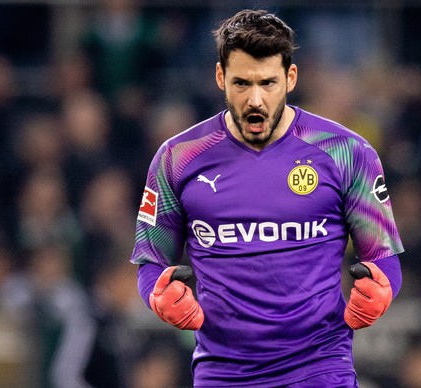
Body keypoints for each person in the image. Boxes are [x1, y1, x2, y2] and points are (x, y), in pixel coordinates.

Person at [131, 9, 404, 387]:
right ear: (220, 77)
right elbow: (150, 262)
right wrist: (159, 296)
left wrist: (381, 290)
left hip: (320, 366)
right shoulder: (177, 158)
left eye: (268, 83)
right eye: (241, 83)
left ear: (290, 78)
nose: (255, 99)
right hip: (224, 371)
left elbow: (383, 256)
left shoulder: (348, 153)